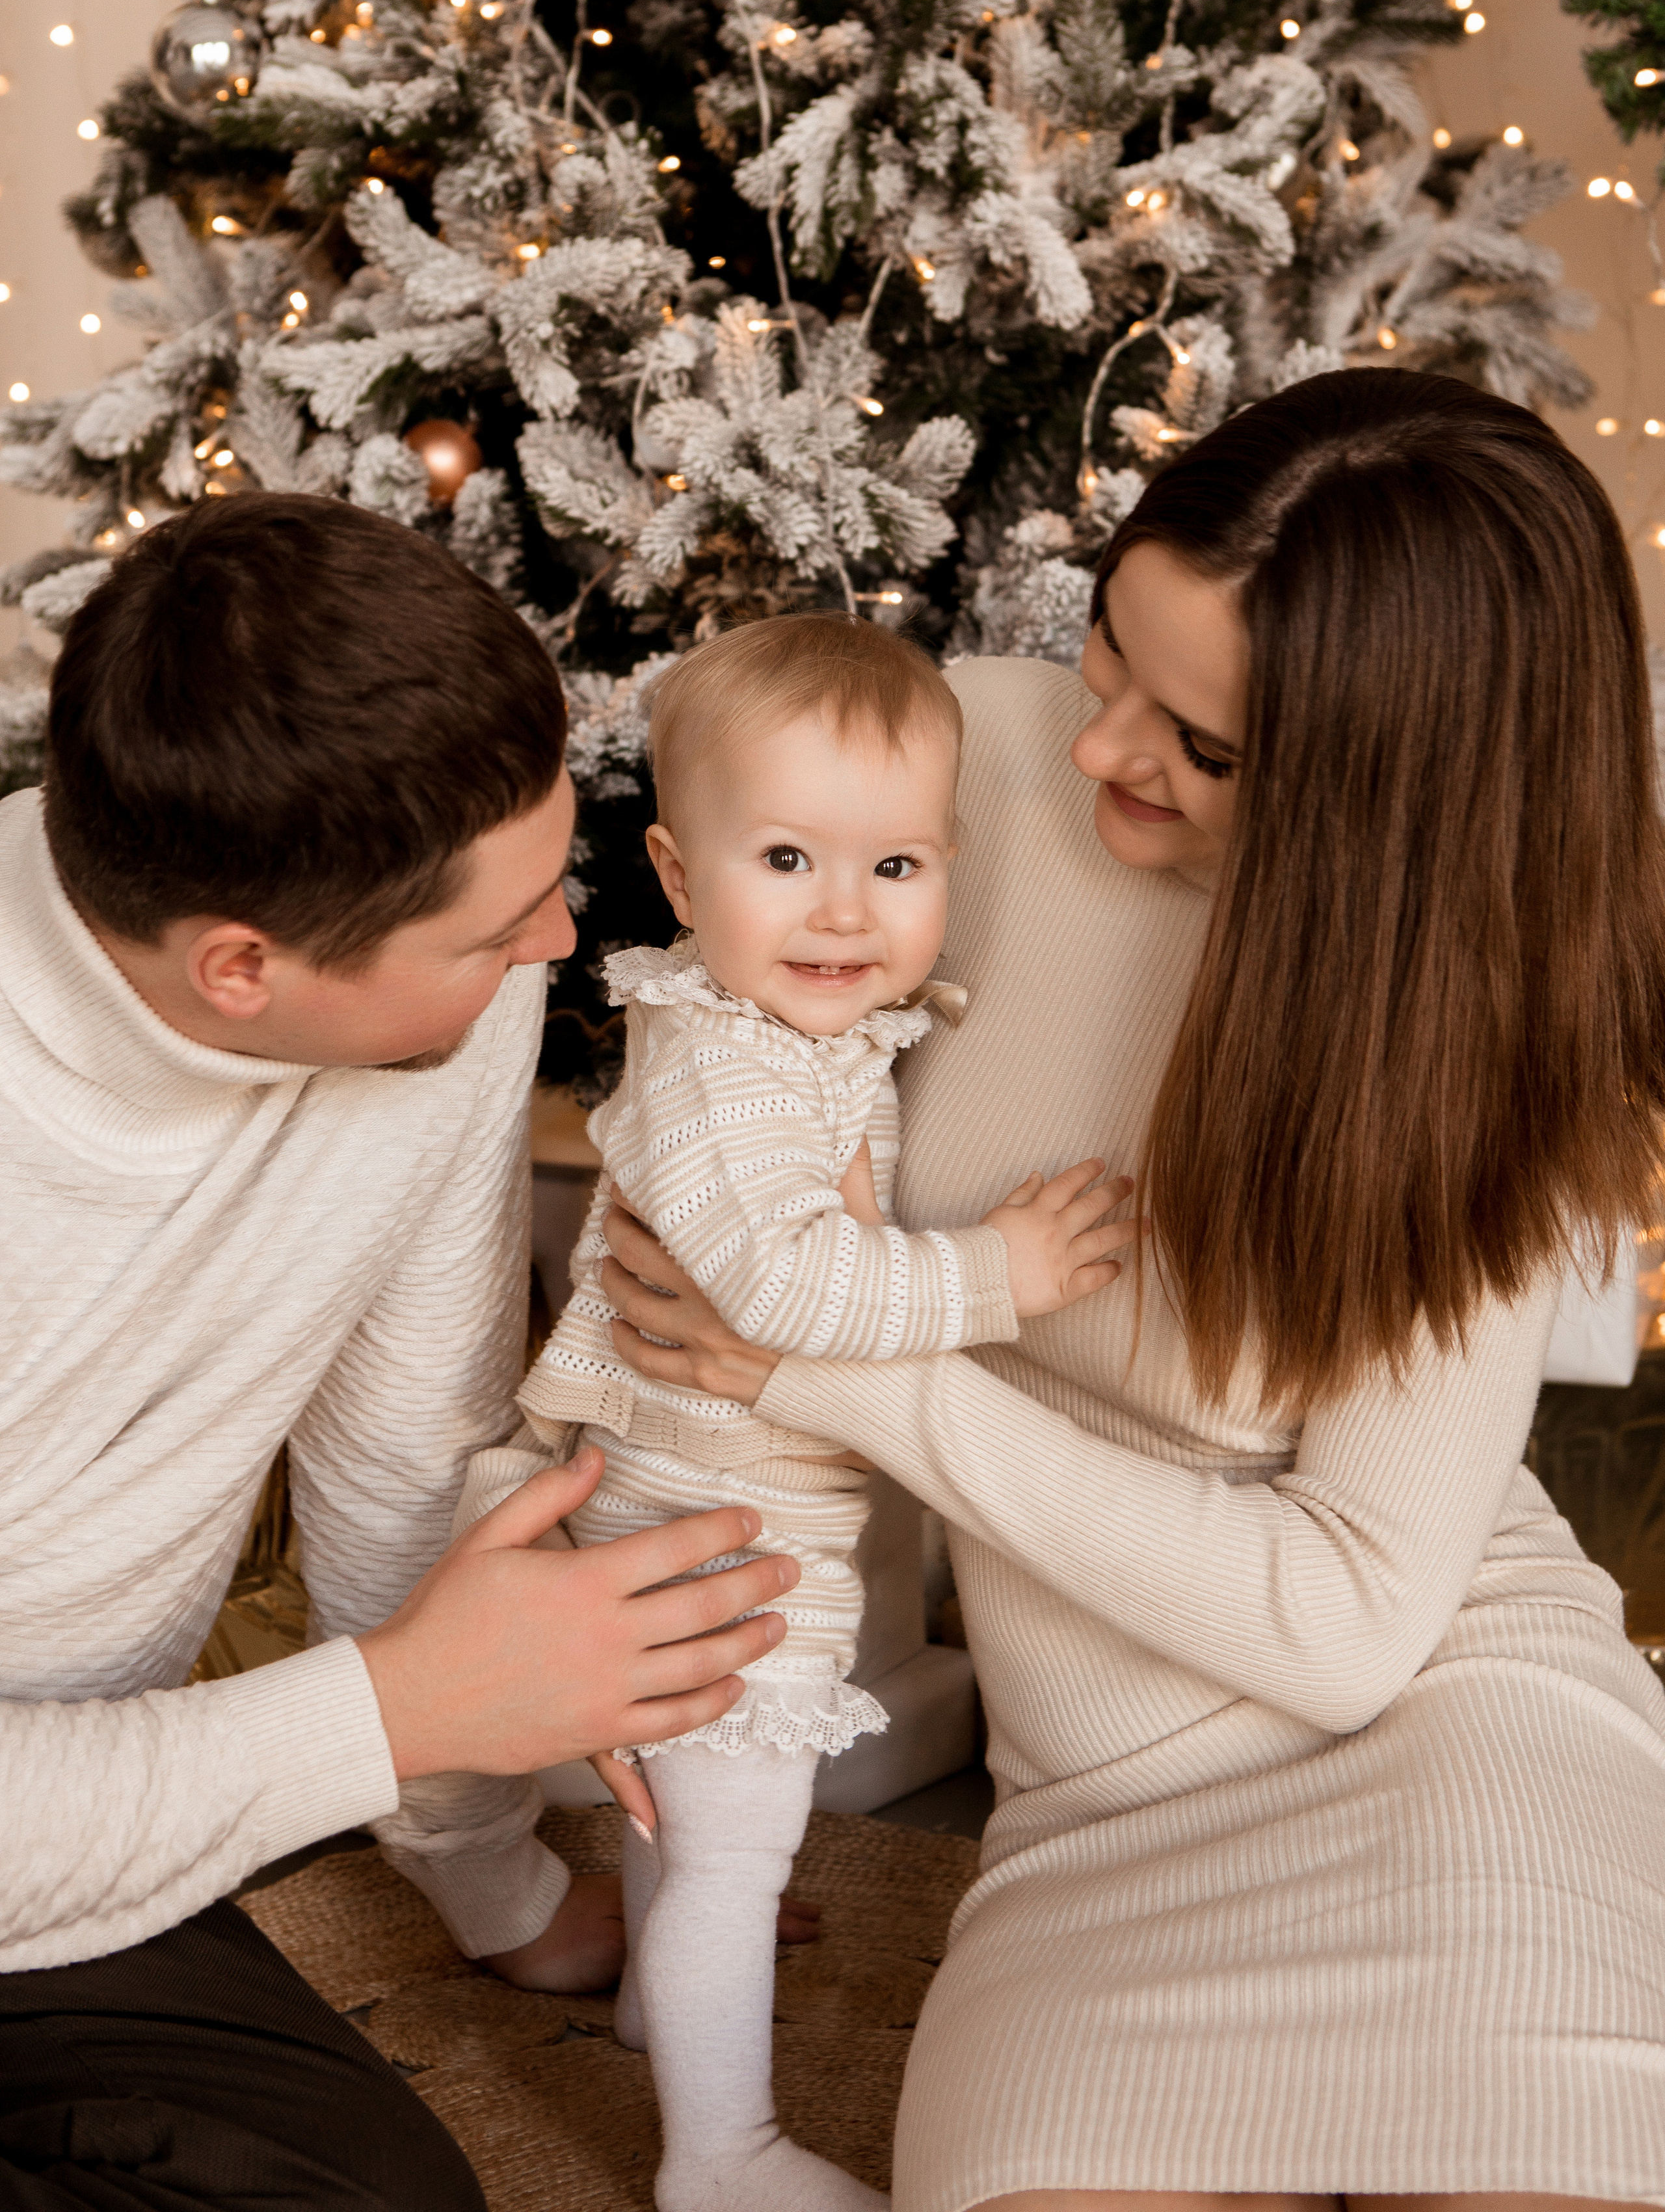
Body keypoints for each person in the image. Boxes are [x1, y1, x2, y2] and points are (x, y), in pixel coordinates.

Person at [572, 373, 1665, 2212]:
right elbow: (713, 1156)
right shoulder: (958, 765)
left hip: (1451, 1739)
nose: (1100, 754)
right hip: (1096, 1805)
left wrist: (837, 1382)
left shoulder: (1485, 1047)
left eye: (1205, 746)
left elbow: (1344, 1621)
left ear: (1381, 795)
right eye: (1109, 657)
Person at [0, 495, 808, 2212]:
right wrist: (389, 1712)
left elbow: (406, 1465)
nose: (558, 948)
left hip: (69, 1850)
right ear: (242, 968)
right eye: (493, 931)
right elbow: (400, 1680)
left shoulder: (449, 1001)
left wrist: (492, 1885)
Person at [503, 615, 1125, 2212]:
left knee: (686, 1817)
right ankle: (721, 2158)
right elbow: (777, 1293)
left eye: (896, 869)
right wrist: (1001, 1274)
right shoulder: (732, 1071)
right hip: (719, 1524)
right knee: (731, 1850)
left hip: (699, 1502)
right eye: (786, 858)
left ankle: (659, 2006)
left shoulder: (779, 1030)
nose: (845, 912)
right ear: (679, 870)